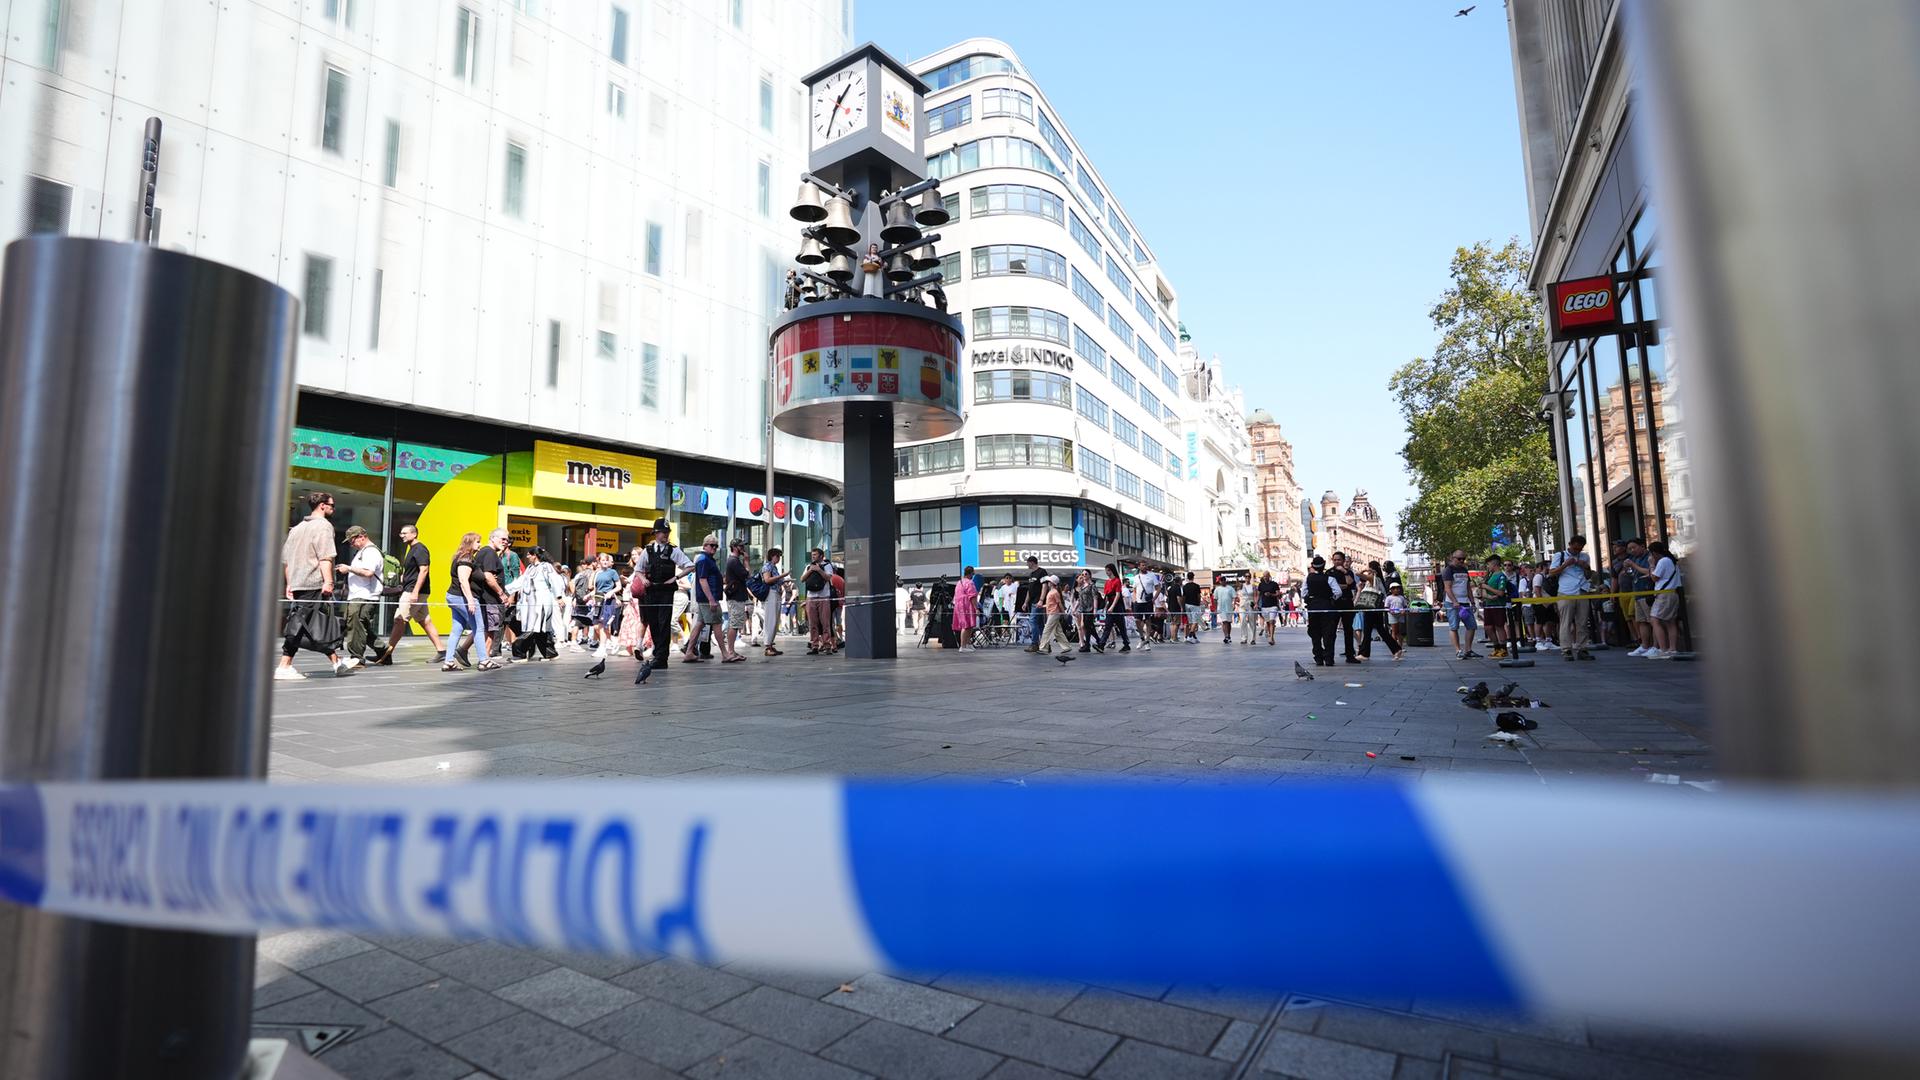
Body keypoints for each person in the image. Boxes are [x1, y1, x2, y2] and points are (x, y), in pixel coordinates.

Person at [276, 491, 353, 680]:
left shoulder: (297, 528)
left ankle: (336, 661)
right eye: (332, 505)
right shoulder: (324, 526)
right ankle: (284, 666)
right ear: (322, 506)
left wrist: (289, 583)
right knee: (303, 623)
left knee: (306, 621)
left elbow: (286, 560)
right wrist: (329, 581)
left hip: (298, 582)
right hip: (313, 581)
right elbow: (325, 556)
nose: (333, 508)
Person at [372, 523, 441, 664]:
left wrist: (415, 591)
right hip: (413, 590)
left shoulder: (420, 549)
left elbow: (424, 570)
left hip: (413, 591)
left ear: (414, 534)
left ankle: (386, 654)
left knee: (399, 619)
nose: (402, 536)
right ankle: (442, 651)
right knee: (425, 621)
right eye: (401, 533)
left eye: (405, 533)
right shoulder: (412, 549)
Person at [636, 519, 695, 671]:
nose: (666, 535)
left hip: (666, 592)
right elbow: (638, 569)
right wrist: (643, 580)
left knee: (664, 623)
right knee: (653, 622)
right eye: (663, 532)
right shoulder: (647, 550)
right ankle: (657, 654)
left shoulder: (673, 550)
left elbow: (690, 566)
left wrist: (676, 578)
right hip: (651, 591)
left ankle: (662, 657)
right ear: (656, 533)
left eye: (667, 532)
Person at [444, 531, 497, 671]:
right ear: (470, 543)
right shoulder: (466, 559)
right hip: (463, 598)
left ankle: (448, 662)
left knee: (457, 629)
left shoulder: (462, 557)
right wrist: (470, 601)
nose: (480, 544)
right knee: (479, 628)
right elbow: (463, 580)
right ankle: (484, 661)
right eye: (478, 542)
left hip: (455, 597)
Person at [507, 546, 564, 659]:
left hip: (541, 602)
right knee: (540, 630)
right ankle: (550, 653)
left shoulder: (546, 567)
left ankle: (520, 652)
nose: (527, 556)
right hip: (529, 603)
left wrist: (559, 596)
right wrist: (506, 589)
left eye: (529, 554)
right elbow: (521, 581)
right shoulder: (529, 568)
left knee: (534, 628)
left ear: (535, 555)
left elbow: (554, 580)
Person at [338, 524, 384, 664]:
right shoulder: (363, 551)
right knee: (361, 626)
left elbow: (368, 573)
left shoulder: (370, 552)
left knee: (356, 626)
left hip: (364, 595)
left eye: (352, 541)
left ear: (361, 537)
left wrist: (349, 568)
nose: (351, 545)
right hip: (360, 595)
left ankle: (356, 658)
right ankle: (383, 651)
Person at [1548, 535, 1595, 661]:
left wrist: (1586, 566)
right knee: (1565, 622)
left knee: (1583, 622)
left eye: (1579, 549)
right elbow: (1551, 572)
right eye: (1575, 549)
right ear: (1570, 545)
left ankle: (1582, 648)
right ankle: (1566, 649)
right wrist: (1565, 565)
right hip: (1566, 591)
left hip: (1582, 590)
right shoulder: (1560, 555)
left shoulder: (1585, 556)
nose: (1577, 551)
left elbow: (1589, 575)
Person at [468, 529, 511, 665]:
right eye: (502, 539)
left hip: (484, 597)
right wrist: (501, 594)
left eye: (507, 540)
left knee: (483, 627)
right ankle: (484, 660)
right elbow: (488, 576)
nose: (505, 542)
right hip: (489, 598)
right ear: (492, 538)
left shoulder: (486, 553)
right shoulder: (489, 553)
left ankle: (463, 650)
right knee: (491, 629)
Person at [1644, 540, 1684, 659]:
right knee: (1670, 621)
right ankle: (1672, 648)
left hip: (1664, 595)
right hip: (1673, 593)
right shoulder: (1671, 561)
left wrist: (1651, 565)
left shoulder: (1662, 561)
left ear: (1654, 553)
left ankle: (1663, 648)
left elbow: (1655, 578)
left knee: (1655, 620)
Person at [1440, 549, 1481, 660]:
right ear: (1453, 558)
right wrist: (1454, 601)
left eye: (1463, 558)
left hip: (1465, 602)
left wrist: (1472, 601)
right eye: (1459, 559)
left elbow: (1467, 586)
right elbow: (1447, 588)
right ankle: (1458, 650)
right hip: (1452, 603)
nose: (1462, 561)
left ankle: (1468, 650)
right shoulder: (1448, 570)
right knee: (1454, 627)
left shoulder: (1464, 570)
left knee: (1472, 626)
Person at [1355, 568, 1403, 661]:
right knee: (1380, 630)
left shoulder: (1372, 578)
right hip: (1377, 607)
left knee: (1368, 630)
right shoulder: (1378, 580)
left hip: (1371, 607)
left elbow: (1358, 574)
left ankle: (1365, 653)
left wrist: (1365, 570)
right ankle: (1396, 649)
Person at [721, 537, 752, 663]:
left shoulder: (733, 561)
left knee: (735, 623)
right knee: (734, 624)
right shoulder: (734, 561)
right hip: (736, 597)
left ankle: (731, 651)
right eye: (740, 546)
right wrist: (746, 561)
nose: (743, 549)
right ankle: (731, 651)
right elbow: (747, 575)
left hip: (737, 596)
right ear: (735, 547)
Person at [1304, 555, 1339, 667]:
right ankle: (1329, 658)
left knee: (1315, 634)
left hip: (1313, 609)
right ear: (1324, 565)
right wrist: (1330, 599)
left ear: (1313, 566)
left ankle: (1318, 658)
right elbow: (1338, 592)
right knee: (1328, 634)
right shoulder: (1330, 578)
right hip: (1327, 608)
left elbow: (1304, 594)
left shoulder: (1308, 578)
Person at [756, 547, 790, 656]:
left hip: (776, 593)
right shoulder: (767, 566)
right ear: (772, 556)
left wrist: (783, 581)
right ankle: (767, 645)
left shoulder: (773, 567)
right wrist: (782, 576)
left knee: (775, 620)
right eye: (777, 556)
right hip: (770, 593)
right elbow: (767, 580)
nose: (779, 558)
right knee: (770, 619)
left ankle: (770, 644)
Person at [801, 548, 835, 654]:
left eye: (815, 554)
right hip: (811, 597)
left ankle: (827, 645)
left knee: (825, 622)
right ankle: (814, 645)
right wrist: (811, 569)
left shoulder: (827, 565)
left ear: (821, 555)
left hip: (823, 597)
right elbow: (802, 579)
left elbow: (828, 577)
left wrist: (819, 570)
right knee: (813, 622)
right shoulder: (808, 566)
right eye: (812, 555)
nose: (813, 556)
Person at [1094, 562, 1132, 653]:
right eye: (1106, 571)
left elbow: (1118, 595)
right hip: (1110, 605)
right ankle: (1101, 645)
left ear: (1112, 570)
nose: (1107, 572)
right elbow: (1107, 596)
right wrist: (1106, 606)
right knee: (1108, 626)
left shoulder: (1117, 581)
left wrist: (1112, 607)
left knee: (1121, 627)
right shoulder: (1107, 582)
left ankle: (1126, 644)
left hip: (1117, 606)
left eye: (1108, 570)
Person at [1480, 555, 1511, 660]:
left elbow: (1501, 592)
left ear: (1494, 564)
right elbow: (1483, 588)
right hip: (1488, 605)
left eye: (1489, 564)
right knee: (1488, 627)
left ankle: (1503, 649)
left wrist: (1487, 588)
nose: (1488, 566)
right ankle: (1496, 647)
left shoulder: (1501, 576)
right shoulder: (1489, 576)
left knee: (1499, 626)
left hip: (1498, 606)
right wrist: (1488, 595)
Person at [1034, 576, 1072, 654]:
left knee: (1047, 630)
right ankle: (1067, 647)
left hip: (1054, 613)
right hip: (1053, 613)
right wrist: (1043, 606)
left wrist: (1063, 613)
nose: (1048, 583)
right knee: (1057, 631)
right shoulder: (1052, 592)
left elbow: (1059, 603)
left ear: (1052, 583)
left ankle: (1043, 648)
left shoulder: (1054, 592)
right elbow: (1052, 604)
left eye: (1049, 581)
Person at [952, 566, 979, 651]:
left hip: (959, 606)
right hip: (967, 606)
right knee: (966, 626)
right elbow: (972, 596)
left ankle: (968, 644)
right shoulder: (970, 583)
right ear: (971, 573)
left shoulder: (959, 582)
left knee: (969, 626)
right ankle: (963, 646)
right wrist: (976, 608)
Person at [1074, 570, 1100, 653]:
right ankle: (1098, 641)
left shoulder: (1092, 585)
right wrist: (1074, 608)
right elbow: (1079, 598)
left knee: (1087, 626)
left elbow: (1095, 597)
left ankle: (1088, 645)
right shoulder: (1082, 586)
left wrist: (1095, 610)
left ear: (1089, 575)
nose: (1084, 575)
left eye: (1086, 574)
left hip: (1090, 608)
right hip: (1083, 609)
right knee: (1088, 626)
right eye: (1083, 574)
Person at [1212, 576, 1237, 644]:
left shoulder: (1230, 588)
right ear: (1220, 581)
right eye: (1221, 580)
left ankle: (1228, 636)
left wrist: (1234, 605)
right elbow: (1215, 599)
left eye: (1224, 580)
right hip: (1221, 608)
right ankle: (1226, 636)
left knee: (1229, 622)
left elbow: (1234, 597)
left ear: (1225, 581)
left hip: (1229, 608)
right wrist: (1215, 608)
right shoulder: (1217, 589)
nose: (1223, 581)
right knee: (1224, 622)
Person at [1180, 573, 1204, 644]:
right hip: (1195, 604)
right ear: (1193, 577)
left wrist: (1183, 605)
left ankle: (1194, 637)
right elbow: (1198, 596)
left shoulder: (1185, 587)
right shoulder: (1196, 586)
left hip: (1187, 605)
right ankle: (1190, 636)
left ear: (1187, 578)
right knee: (1195, 621)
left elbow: (1183, 597)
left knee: (1190, 621)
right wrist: (1199, 603)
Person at [1385, 581, 1408, 650]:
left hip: (1400, 615)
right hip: (1392, 615)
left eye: (1398, 588)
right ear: (1391, 590)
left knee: (1400, 631)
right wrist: (1391, 611)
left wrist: (1404, 611)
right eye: (1394, 588)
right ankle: (1394, 648)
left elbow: (1405, 606)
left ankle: (1400, 647)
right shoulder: (1388, 598)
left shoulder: (1402, 597)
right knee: (1394, 631)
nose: (1396, 590)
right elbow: (1386, 607)